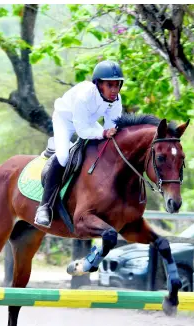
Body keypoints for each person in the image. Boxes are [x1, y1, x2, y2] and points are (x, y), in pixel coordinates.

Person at [34, 60, 124, 228]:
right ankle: (44, 207)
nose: (114, 90)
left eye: (117, 85)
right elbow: (82, 131)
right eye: (109, 85)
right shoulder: (84, 96)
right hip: (65, 120)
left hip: (88, 122)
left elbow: (110, 126)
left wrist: (109, 135)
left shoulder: (116, 99)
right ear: (98, 84)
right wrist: (103, 133)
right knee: (63, 157)